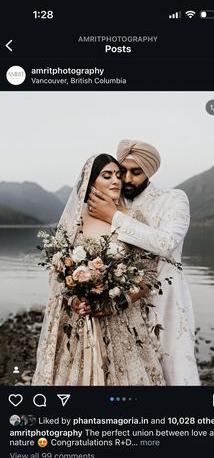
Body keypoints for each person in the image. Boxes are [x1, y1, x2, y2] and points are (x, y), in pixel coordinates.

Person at [32, 153, 166, 386]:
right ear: (91, 182)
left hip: (120, 320)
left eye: (118, 174)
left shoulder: (132, 218)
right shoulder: (74, 222)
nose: (117, 180)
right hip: (79, 320)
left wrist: (116, 302)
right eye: (107, 175)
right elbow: (60, 274)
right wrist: (73, 299)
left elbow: (149, 274)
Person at [87, 140, 200, 385]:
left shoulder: (173, 199)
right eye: (122, 171)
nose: (126, 179)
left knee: (175, 372)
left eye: (135, 172)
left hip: (165, 302)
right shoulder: (114, 200)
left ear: (149, 171)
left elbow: (166, 242)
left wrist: (113, 217)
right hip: (121, 310)